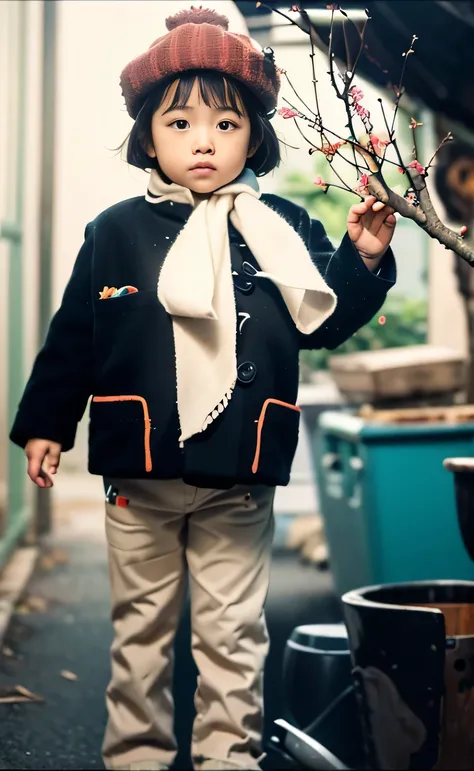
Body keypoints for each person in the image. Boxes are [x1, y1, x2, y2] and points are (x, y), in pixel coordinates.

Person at [10, 7, 397, 771]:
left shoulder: (281, 224)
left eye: (225, 124)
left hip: (239, 468)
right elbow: (74, 338)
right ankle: (137, 755)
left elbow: (320, 319)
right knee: (140, 629)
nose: (202, 140)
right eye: (179, 122)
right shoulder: (113, 230)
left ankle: (228, 757)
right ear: (147, 136)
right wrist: (47, 422)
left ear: (255, 135)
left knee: (232, 631)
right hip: (138, 465)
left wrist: (361, 261)